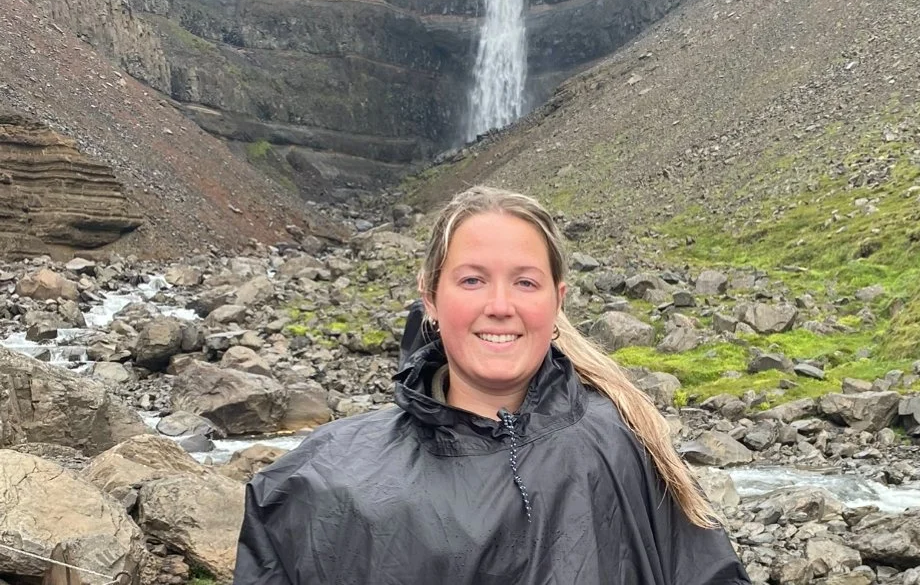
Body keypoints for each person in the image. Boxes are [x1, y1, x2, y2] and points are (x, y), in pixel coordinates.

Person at [234, 186, 750, 585]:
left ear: (557, 299)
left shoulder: (627, 447)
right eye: (472, 280)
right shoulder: (323, 475)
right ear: (430, 298)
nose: (500, 305)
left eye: (525, 282)